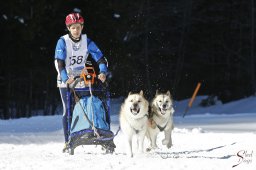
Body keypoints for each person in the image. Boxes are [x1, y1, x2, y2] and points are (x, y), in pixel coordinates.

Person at [54, 13, 108, 151]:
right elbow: (59, 63)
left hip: (81, 78)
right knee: (68, 109)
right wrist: (66, 79)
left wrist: (102, 72)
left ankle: (94, 132)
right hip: (65, 79)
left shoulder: (87, 41)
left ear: (82, 27)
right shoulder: (62, 41)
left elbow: (100, 58)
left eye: (78, 27)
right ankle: (68, 141)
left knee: (89, 102)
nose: (76, 30)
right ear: (68, 28)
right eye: (73, 28)